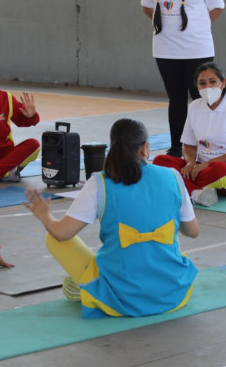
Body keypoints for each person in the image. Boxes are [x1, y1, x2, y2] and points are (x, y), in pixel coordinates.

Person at [23, 118, 199, 318]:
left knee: (53, 238)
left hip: (120, 298)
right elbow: (193, 231)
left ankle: (86, 289)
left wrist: (44, 215)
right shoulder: (173, 177)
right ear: (145, 147)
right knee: (168, 241)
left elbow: (61, 234)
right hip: (173, 294)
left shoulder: (99, 183)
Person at [141, 0, 225, 157]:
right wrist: (164, 24)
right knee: (176, 98)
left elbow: (217, 5)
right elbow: (147, 6)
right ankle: (177, 146)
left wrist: (200, 25)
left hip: (198, 48)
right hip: (166, 49)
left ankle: (206, 146)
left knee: (201, 97)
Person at [153, 62, 226, 207]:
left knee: (218, 171)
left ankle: (185, 187)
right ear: (197, 86)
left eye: (212, 81)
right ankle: (197, 193)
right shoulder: (195, 106)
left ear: (223, 83)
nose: (208, 87)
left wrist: (207, 165)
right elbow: (188, 145)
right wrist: (190, 162)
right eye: (202, 83)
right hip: (201, 169)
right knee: (160, 162)